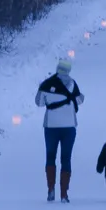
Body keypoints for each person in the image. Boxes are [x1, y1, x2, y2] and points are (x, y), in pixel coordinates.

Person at [35, 56, 83, 202]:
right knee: (66, 158)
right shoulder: (72, 84)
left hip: (51, 126)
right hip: (69, 126)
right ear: (69, 70)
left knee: (50, 156)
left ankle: (50, 189)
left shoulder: (46, 84)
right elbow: (79, 100)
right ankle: (64, 193)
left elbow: (39, 102)